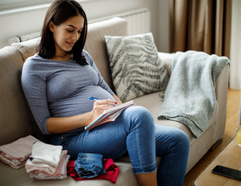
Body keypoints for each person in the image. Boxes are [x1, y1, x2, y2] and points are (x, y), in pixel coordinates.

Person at [21, 0, 190, 185]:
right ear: (52, 25)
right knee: (139, 115)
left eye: (79, 31)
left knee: (179, 140)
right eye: (70, 30)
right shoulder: (35, 67)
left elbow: (106, 89)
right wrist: (90, 116)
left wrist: (120, 110)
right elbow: (45, 125)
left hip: (110, 125)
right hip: (72, 139)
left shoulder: (83, 56)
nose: (75, 37)